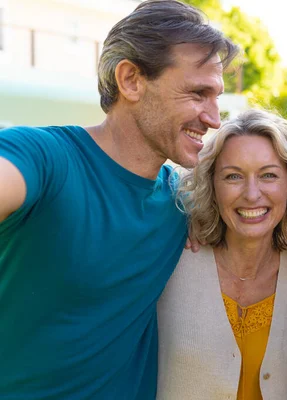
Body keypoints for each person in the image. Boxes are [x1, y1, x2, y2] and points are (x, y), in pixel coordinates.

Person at [0, 1, 237, 399]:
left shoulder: (183, 203)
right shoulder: (45, 158)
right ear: (130, 80)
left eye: (216, 97)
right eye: (198, 93)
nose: (213, 118)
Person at [157, 109, 287, 399]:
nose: (252, 194)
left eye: (268, 175)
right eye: (233, 177)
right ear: (211, 185)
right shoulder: (170, 259)